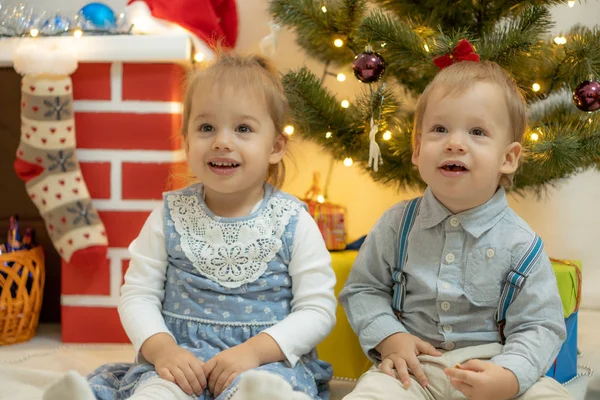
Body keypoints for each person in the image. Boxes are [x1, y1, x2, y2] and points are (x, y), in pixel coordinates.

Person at [43, 52, 336, 400]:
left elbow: (317, 310)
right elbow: (138, 294)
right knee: (156, 392)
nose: (222, 141)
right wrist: (162, 348)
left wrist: (255, 352)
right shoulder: (169, 217)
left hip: (263, 364)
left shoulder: (293, 221)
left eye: (243, 129)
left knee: (271, 393)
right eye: (206, 127)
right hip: (181, 362)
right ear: (185, 141)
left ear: (275, 146)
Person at [339, 59, 572, 400]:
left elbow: (541, 325)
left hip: (494, 367)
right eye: (440, 129)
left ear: (508, 158)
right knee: (372, 393)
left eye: (477, 132)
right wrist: (390, 337)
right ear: (417, 149)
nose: (455, 143)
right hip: (413, 368)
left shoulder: (522, 243)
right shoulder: (397, 225)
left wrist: (511, 375)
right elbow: (363, 289)